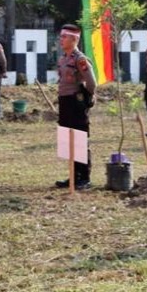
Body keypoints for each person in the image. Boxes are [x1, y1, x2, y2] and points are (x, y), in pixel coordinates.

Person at [55, 24, 96, 190]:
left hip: (76, 102)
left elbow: (92, 83)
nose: (61, 39)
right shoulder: (63, 59)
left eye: (64, 37)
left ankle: (84, 177)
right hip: (64, 101)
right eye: (61, 36)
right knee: (66, 139)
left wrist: (86, 98)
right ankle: (73, 175)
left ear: (74, 39)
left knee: (79, 138)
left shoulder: (80, 59)